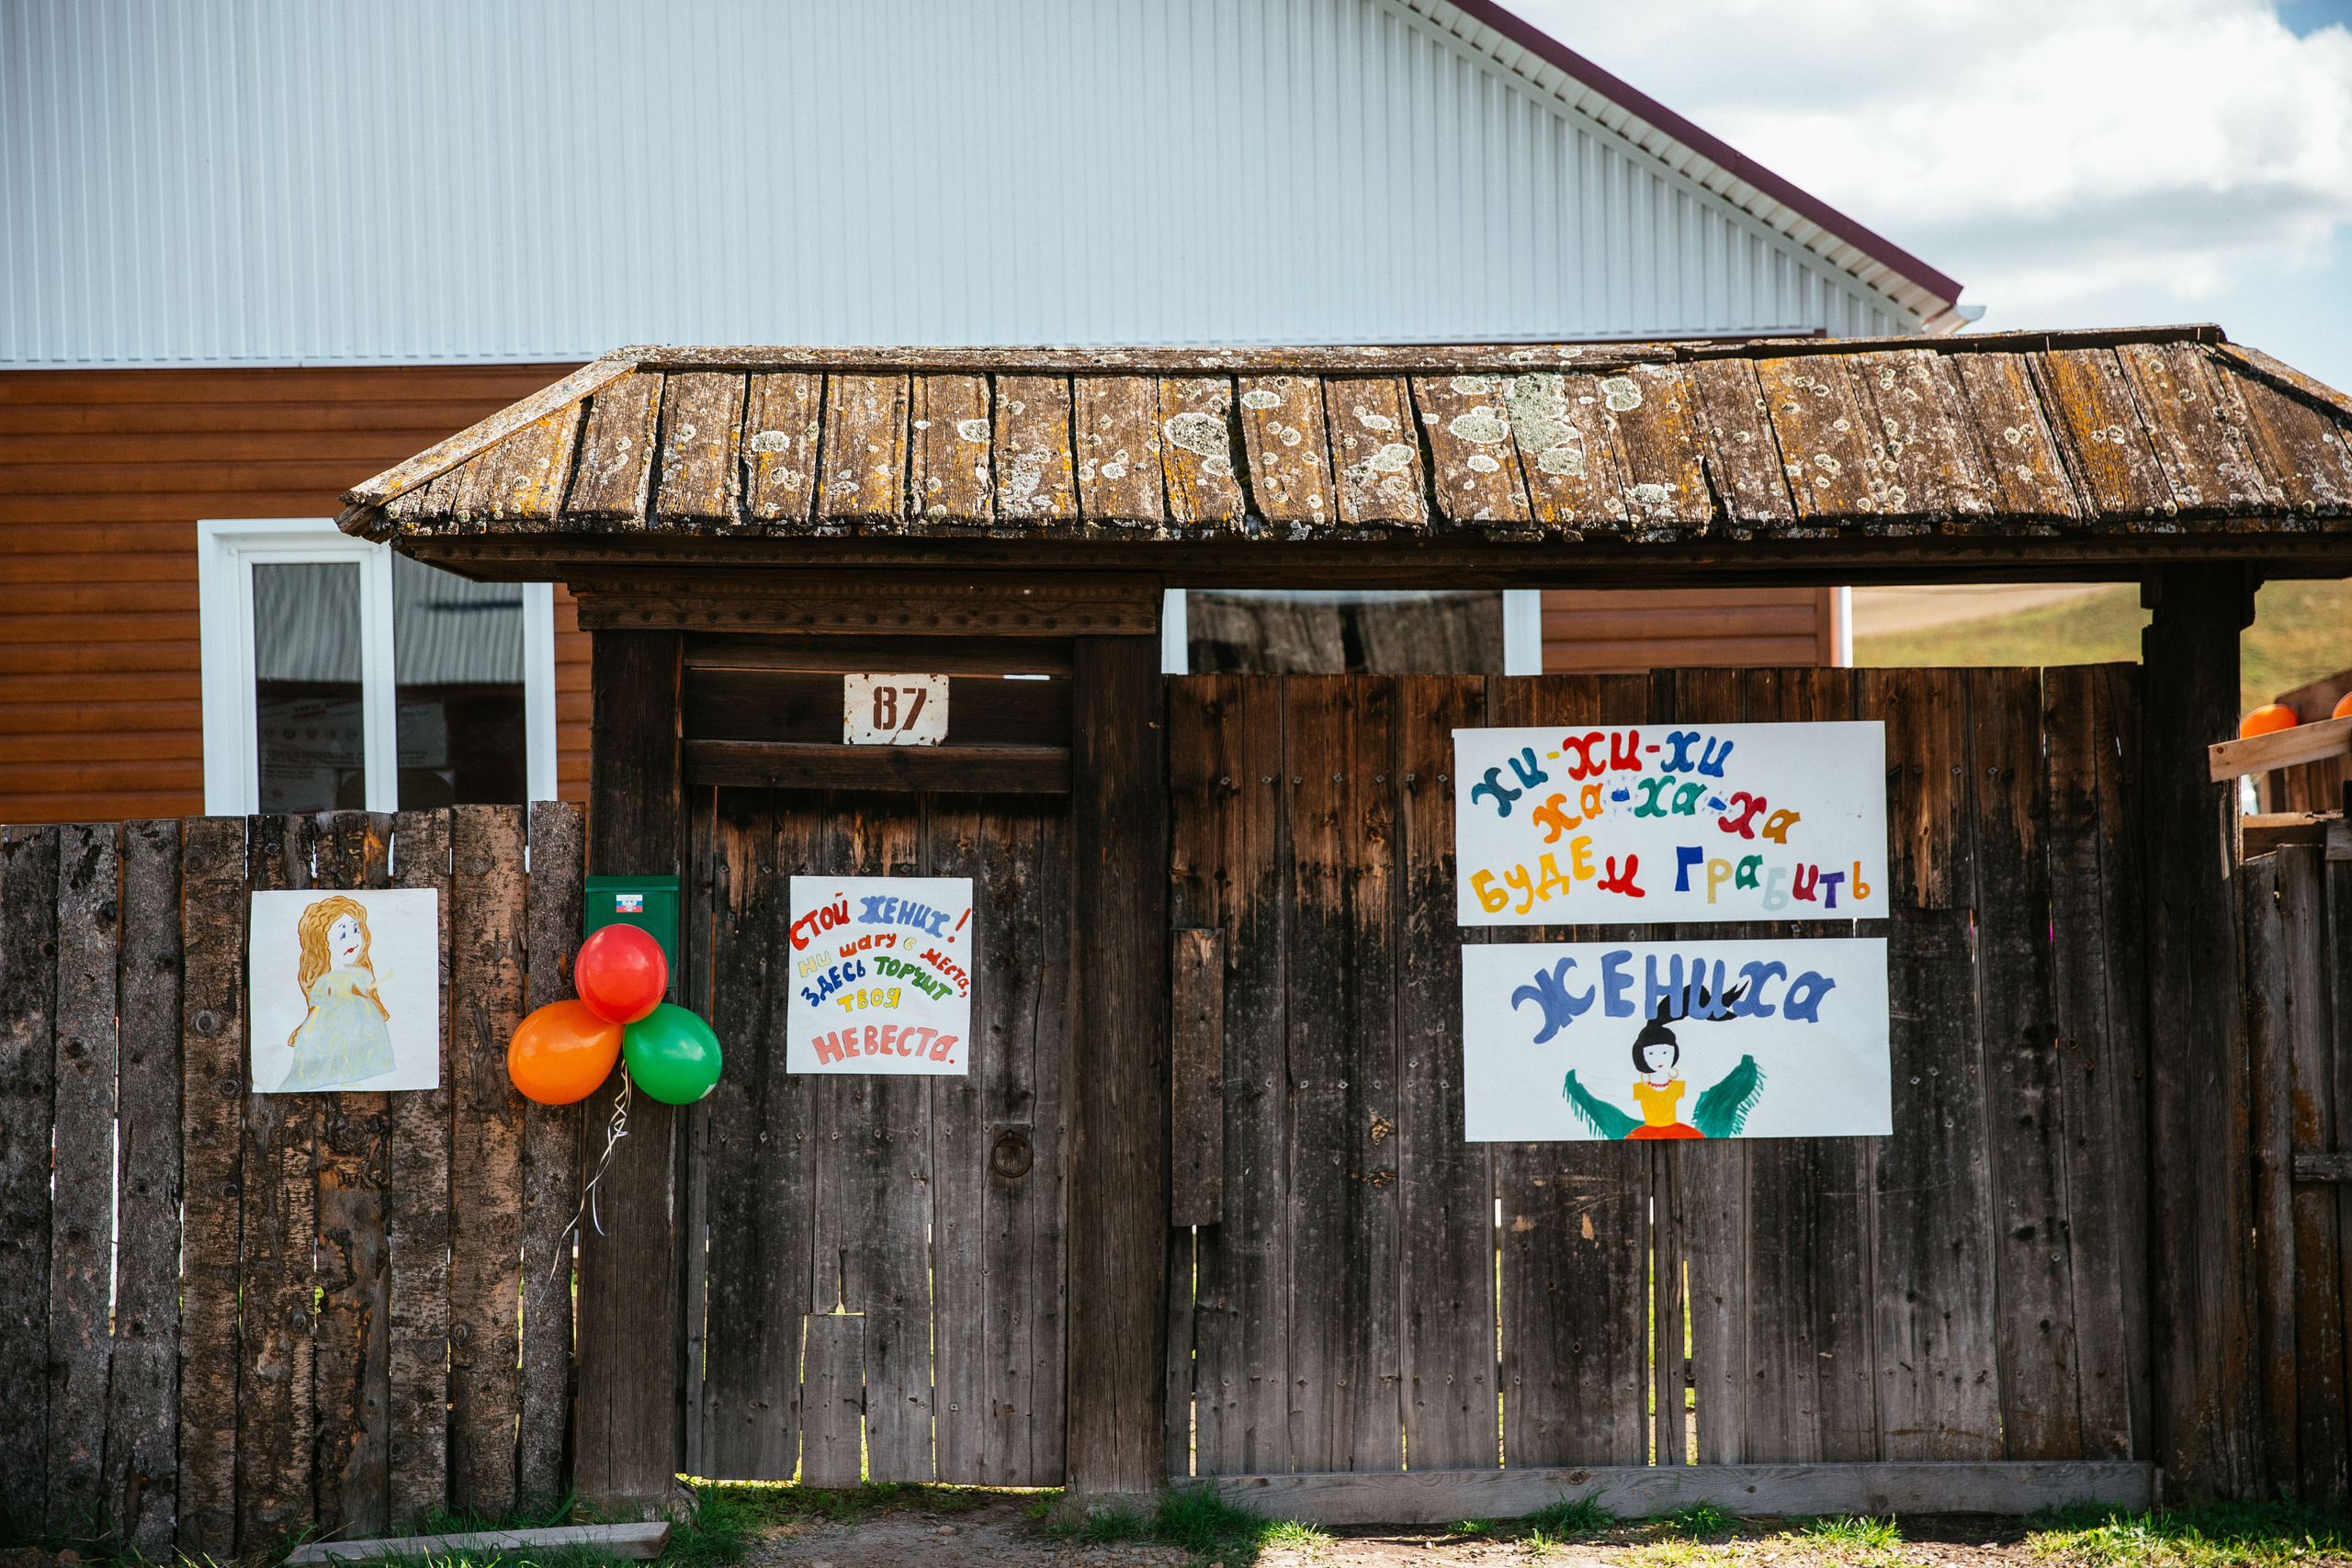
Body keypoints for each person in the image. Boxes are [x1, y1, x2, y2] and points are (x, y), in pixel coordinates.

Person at [277, 895, 396, 1091]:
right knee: (334, 1048)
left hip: (361, 1016)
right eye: (342, 934)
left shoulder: (359, 972)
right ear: (322, 943)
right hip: (331, 1020)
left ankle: (357, 1077)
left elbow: (369, 989)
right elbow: (318, 999)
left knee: (360, 1046)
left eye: (355, 930)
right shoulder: (326, 979)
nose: (352, 939)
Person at [1626, 1016, 1702, 1139]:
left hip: (1675, 1130)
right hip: (1648, 1132)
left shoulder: (1679, 1086)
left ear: (1674, 1053)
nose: (1659, 1059)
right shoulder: (1639, 1088)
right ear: (1641, 1055)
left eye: (1665, 1052)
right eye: (1651, 1053)